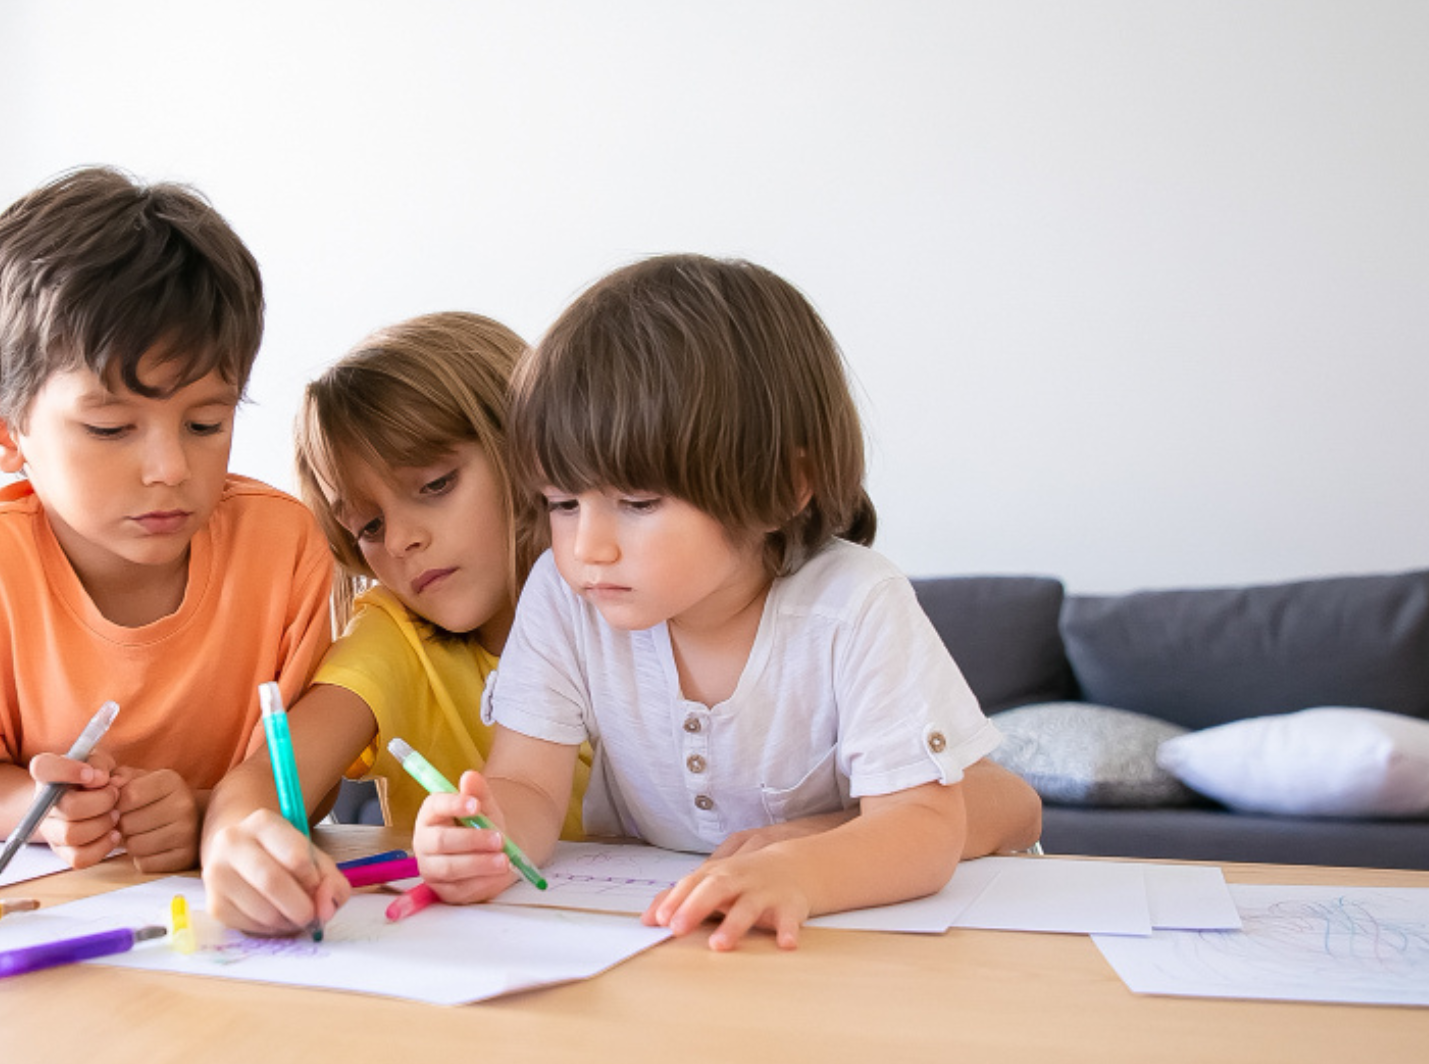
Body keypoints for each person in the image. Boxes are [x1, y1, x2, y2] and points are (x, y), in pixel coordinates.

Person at [412, 254, 1042, 951]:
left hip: (851, 946)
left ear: (786, 484)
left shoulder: (855, 605)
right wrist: (489, 838)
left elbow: (923, 827)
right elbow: (528, 788)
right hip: (668, 942)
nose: (587, 548)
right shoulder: (564, 601)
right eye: (561, 502)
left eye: (638, 502)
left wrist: (799, 870)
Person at [0, 166, 334, 874]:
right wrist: (41, 811)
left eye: (205, 422)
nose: (169, 467)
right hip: (48, 911)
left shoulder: (282, 545)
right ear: (4, 432)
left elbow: (302, 784)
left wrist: (199, 811)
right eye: (110, 428)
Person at [199, 312, 595, 936]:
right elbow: (261, 781)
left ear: (528, 453)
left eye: (435, 484)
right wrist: (235, 843)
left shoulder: (628, 606)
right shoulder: (395, 635)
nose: (403, 541)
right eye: (369, 527)